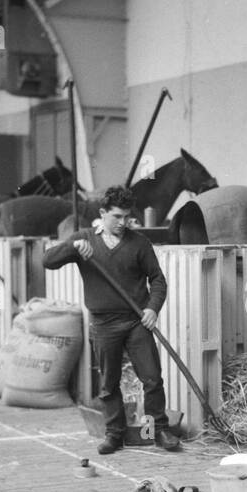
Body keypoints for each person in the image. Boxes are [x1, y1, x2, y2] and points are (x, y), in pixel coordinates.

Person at [43, 185, 180, 454]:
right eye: (116, 216)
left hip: (136, 321)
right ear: (102, 213)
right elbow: (48, 261)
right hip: (104, 324)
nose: (122, 223)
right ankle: (114, 434)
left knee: (152, 378)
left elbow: (158, 280)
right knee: (109, 382)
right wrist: (71, 247)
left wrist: (152, 309)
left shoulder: (139, 243)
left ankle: (159, 430)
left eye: (127, 217)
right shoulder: (84, 241)